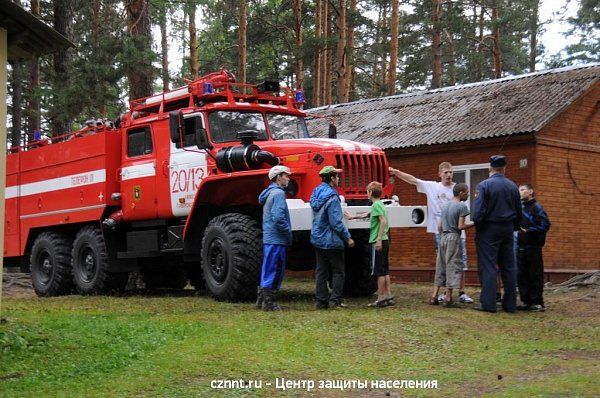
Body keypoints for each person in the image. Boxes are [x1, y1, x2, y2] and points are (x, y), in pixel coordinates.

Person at [389, 163, 474, 303]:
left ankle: (462, 292)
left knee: (460, 262)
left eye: (451, 172)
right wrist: (396, 172)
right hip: (440, 232)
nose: (448, 175)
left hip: (458, 233)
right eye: (446, 172)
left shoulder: (459, 190)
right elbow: (413, 180)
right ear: (440, 174)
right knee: (443, 262)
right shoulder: (433, 187)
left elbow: (463, 214)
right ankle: (446, 292)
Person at [472, 155, 522, 313]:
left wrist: (479, 226)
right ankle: (510, 304)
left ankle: (489, 304)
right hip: (507, 228)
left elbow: (478, 212)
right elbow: (518, 212)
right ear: (504, 168)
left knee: (488, 265)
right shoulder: (513, 186)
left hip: (489, 228)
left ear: (490, 168)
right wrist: (514, 227)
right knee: (508, 266)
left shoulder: (484, 185)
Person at [310, 165, 355, 309]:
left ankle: (320, 301)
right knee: (338, 271)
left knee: (321, 271)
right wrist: (347, 237)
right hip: (332, 240)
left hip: (318, 239)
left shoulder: (316, 192)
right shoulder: (333, 196)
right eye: (336, 176)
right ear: (331, 179)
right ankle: (334, 301)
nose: (338, 179)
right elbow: (335, 222)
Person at [346, 182, 393, 308]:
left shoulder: (376, 206)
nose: (367, 194)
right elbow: (367, 214)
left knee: (378, 271)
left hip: (378, 241)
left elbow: (383, 221)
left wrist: (378, 239)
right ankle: (388, 296)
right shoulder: (379, 205)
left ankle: (381, 298)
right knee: (384, 269)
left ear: (371, 192)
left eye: (367, 191)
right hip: (385, 240)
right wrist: (352, 217)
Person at [430, 183, 475, 307]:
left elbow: (439, 225)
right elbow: (460, 226)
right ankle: (448, 298)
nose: (468, 194)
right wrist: (475, 223)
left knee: (441, 265)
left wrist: (442, 236)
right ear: (461, 193)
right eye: (467, 192)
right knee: (452, 265)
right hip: (454, 237)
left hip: (443, 237)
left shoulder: (445, 206)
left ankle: (434, 296)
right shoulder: (462, 206)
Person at [257, 165, 293, 311]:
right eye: (286, 176)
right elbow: (278, 217)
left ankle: (261, 300)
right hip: (277, 238)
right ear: (279, 177)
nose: (288, 178)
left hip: (270, 237)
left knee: (268, 267)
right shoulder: (278, 194)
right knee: (274, 268)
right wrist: (288, 232)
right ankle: (268, 303)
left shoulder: (269, 193)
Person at [517, 183, 550, 312]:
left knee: (534, 275)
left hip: (533, 247)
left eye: (523, 189)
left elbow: (545, 225)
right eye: (519, 190)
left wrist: (530, 231)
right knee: (522, 275)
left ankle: (537, 302)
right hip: (520, 246)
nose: (520, 192)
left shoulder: (537, 207)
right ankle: (526, 301)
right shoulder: (520, 208)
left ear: (530, 191)